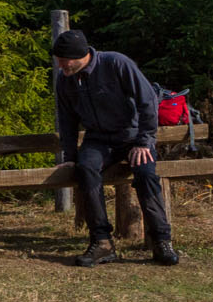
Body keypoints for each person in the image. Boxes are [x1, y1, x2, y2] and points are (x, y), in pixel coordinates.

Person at [51, 29, 181, 267]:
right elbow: (67, 120)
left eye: (63, 60)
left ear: (79, 55)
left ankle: (162, 241)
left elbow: (147, 100)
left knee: (145, 174)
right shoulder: (66, 80)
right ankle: (102, 243)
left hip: (132, 137)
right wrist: (70, 155)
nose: (60, 66)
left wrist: (144, 141)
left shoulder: (116, 63)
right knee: (85, 169)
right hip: (98, 140)